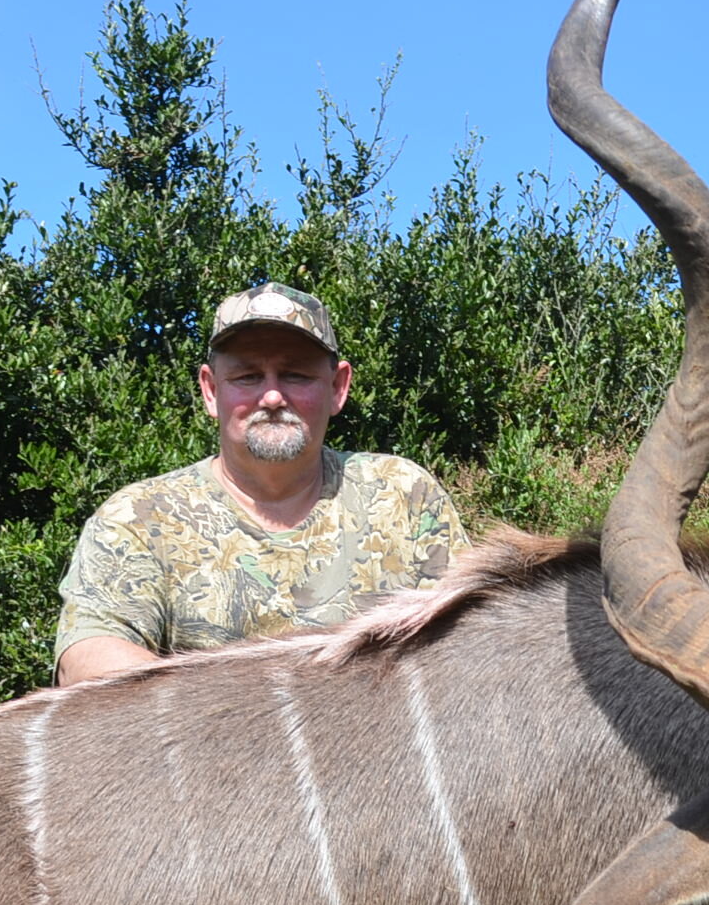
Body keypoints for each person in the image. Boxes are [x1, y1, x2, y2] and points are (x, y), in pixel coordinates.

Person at [54, 283, 469, 684]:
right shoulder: (140, 517)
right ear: (211, 391)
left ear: (338, 388)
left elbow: (471, 643)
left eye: (295, 375)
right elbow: (86, 657)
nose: (272, 397)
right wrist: (254, 718)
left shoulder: (403, 494)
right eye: (248, 377)